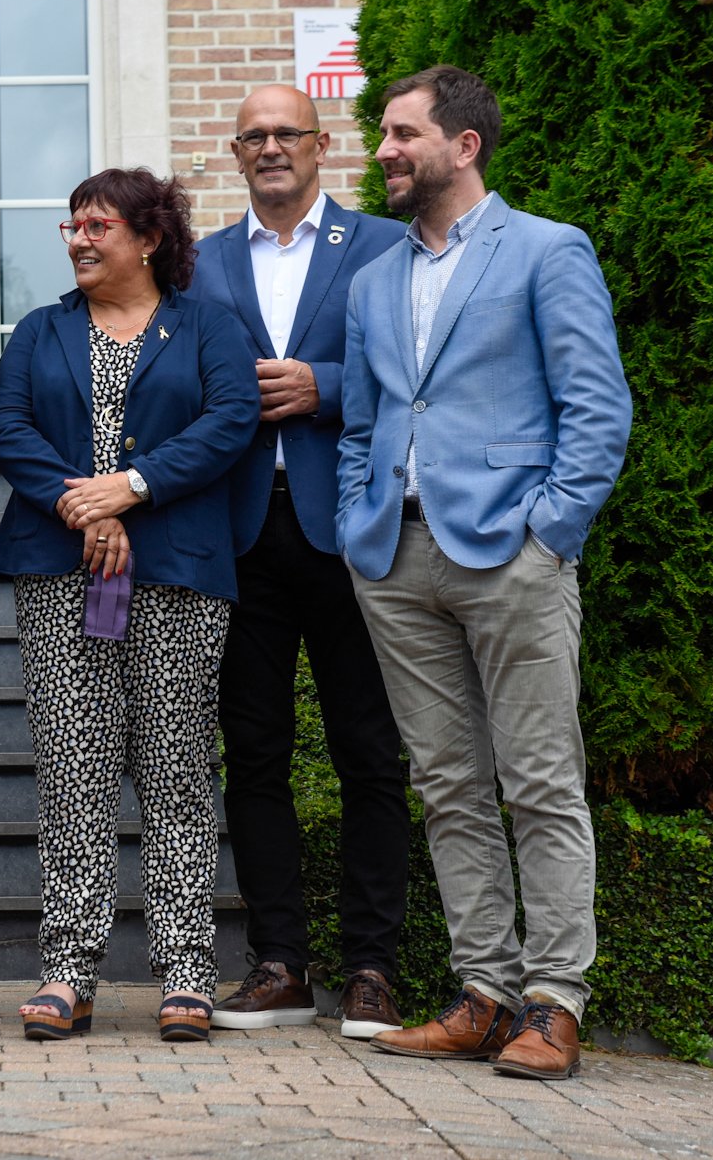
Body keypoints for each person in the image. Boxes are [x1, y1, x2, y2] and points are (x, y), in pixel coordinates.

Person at [338, 66, 630, 1081]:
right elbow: (364, 421)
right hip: (393, 555)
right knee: (448, 782)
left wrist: (550, 531)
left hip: (511, 550)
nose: (381, 149)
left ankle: (553, 1001)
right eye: (381, 132)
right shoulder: (371, 278)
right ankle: (481, 990)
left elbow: (596, 408)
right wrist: (351, 521)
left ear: (460, 145)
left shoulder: (546, 250)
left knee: (540, 779)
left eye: (399, 132)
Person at [0, 167, 258, 1045]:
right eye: (71, 226)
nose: (78, 239)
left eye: (97, 224)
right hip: (63, 573)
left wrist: (131, 488)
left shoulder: (210, 326)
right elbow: (11, 429)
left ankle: (187, 972)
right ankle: (70, 967)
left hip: (177, 571)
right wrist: (81, 503)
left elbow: (229, 419)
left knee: (176, 764)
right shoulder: (39, 329)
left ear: (149, 237)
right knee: (73, 768)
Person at [186, 85, 412, 1039]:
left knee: (369, 750)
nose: (272, 147)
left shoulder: (381, 249)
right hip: (238, 531)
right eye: (255, 136)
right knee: (256, 750)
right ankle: (280, 963)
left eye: (289, 133)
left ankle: (372, 967)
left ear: (323, 146)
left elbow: (416, 368)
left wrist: (328, 387)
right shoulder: (199, 264)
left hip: (350, 526)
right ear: (237, 154)